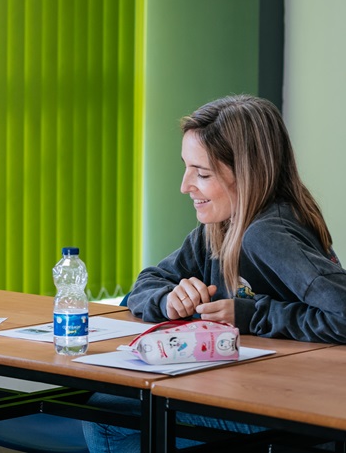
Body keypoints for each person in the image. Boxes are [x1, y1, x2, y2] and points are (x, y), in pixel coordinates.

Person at [84, 94, 346, 453]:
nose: (185, 185)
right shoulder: (218, 230)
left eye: (202, 174)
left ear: (247, 174)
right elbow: (143, 286)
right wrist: (169, 297)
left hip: (299, 409)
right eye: (187, 168)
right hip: (252, 389)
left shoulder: (267, 234)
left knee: (109, 415)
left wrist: (253, 315)